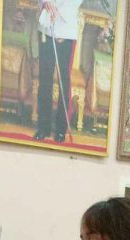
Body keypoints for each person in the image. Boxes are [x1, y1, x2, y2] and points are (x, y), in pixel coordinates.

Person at [33, 0, 83, 143]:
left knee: (63, 80)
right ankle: (43, 127)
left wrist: (59, 16)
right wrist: (45, 2)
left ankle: (61, 129)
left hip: (66, 30)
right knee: (45, 78)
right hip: (46, 27)